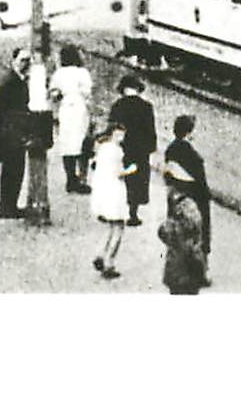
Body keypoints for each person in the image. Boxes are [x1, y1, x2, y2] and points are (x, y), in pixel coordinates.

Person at [108, 75, 157, 226]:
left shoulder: (117, 105)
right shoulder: (146, 106)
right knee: (137, 180)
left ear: (123, 89)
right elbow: (151, 130)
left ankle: (114, 211)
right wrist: (151, 147)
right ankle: (133, 214)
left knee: (120, 178)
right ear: (138, 89)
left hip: (123, 147)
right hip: (140, 148)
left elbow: (111, 128)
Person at [164, 114, 211, 266]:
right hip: (194, 196)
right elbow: (199, 180)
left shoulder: (171, 149)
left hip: (176, 195)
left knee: (178, 232)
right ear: (189, 133)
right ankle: (198, 267)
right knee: (197, 233)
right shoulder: (191, 154)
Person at [0, 48, 32, 218]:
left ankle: (10, 205)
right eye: (23, 60)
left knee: (16, 170)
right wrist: (1, 134)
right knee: (12, 171)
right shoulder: (10, 82)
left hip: (15, 132)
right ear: (14, 61)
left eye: (28, 60)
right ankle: (7, 207)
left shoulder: (19, 80)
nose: (26, 63)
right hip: (11, 133)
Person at [89, 122, 131, 279]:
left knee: (110, 227)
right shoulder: (117, 151)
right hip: (115, 192)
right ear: (113, 134)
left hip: (103, 192)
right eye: (120, 134)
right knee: (119, 227)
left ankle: (100, 255)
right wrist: (131, 169)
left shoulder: (102, 148)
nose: (122, 137)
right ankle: (109, 263)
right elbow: (119, 173)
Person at [49, 45, 94, 193]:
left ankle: (70, 178)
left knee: (67, 144)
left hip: (65, 109)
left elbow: (54, 94)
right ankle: (82, 178)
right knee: (83, 143)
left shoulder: (58, 74)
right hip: (80, 109)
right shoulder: (83, 73)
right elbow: (87, 94)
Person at [159, 161, 208, 295]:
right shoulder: (178, 202)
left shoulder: (186, 205)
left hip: (185, 260)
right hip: (181, 260)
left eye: (169, 183)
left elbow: (193, 226)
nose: (167, 187)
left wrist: (168, 228)